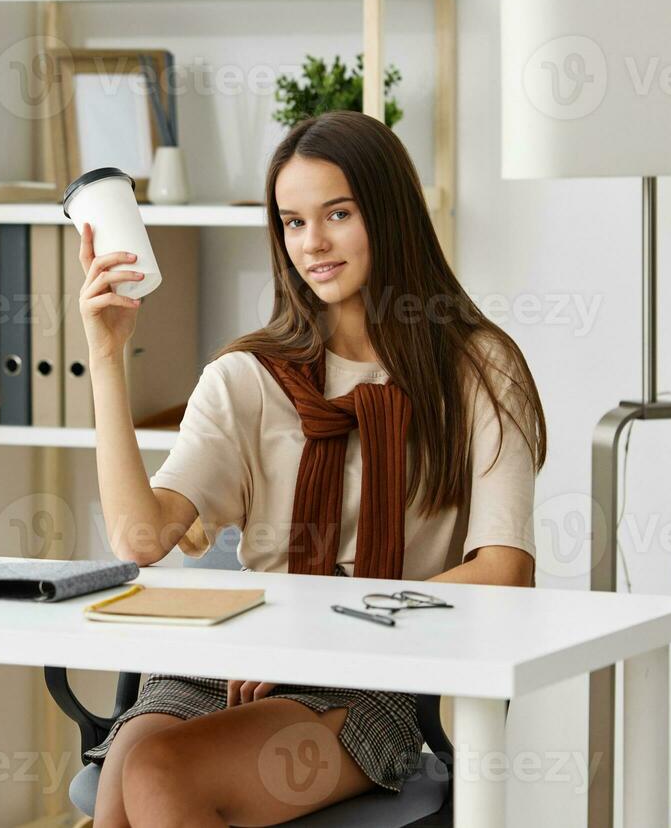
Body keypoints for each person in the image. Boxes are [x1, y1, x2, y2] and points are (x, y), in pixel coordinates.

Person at [74, 110, 547, 828]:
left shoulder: (478, 368)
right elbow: (140, 540)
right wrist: (106, 357)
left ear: (389, 214)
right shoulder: (247, 376)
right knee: (125, 783)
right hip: (229, 666)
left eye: (338, 214)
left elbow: (504, 572)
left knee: (158, 773)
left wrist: (320, 633)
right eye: (293, 223)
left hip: (371, 677)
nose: (313, 243)